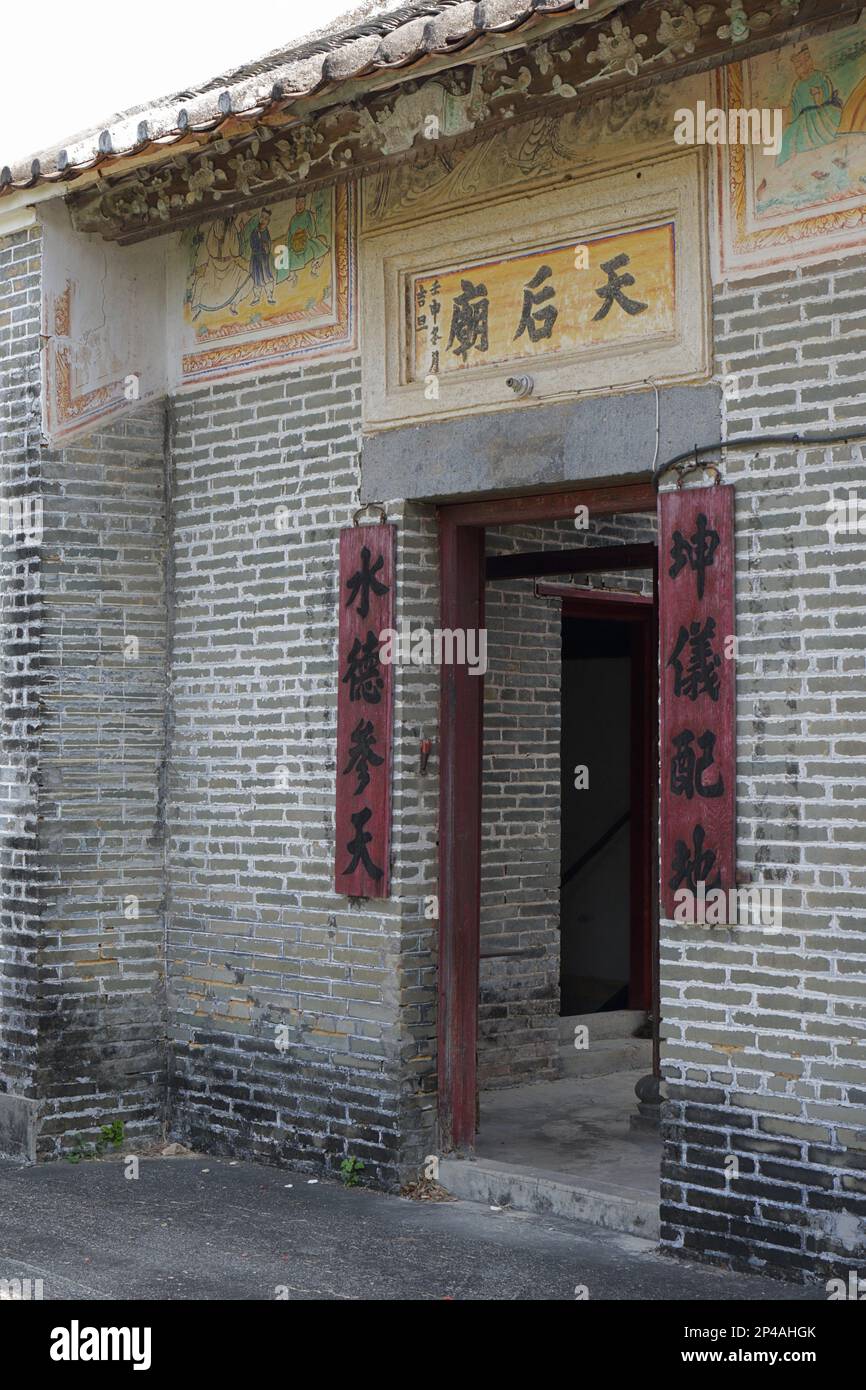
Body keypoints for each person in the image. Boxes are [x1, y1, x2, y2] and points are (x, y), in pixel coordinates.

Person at [777, 45, 842, 165]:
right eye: (799, 66)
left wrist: (819, 93)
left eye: (806, 62)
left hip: (822, 113)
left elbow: (827, 91)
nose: (804, 68)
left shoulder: (820, 76)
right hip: (804, 119)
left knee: (822, 134)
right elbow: (795, 105)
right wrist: (786, 110)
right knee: (787, 138)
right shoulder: (797, 85)